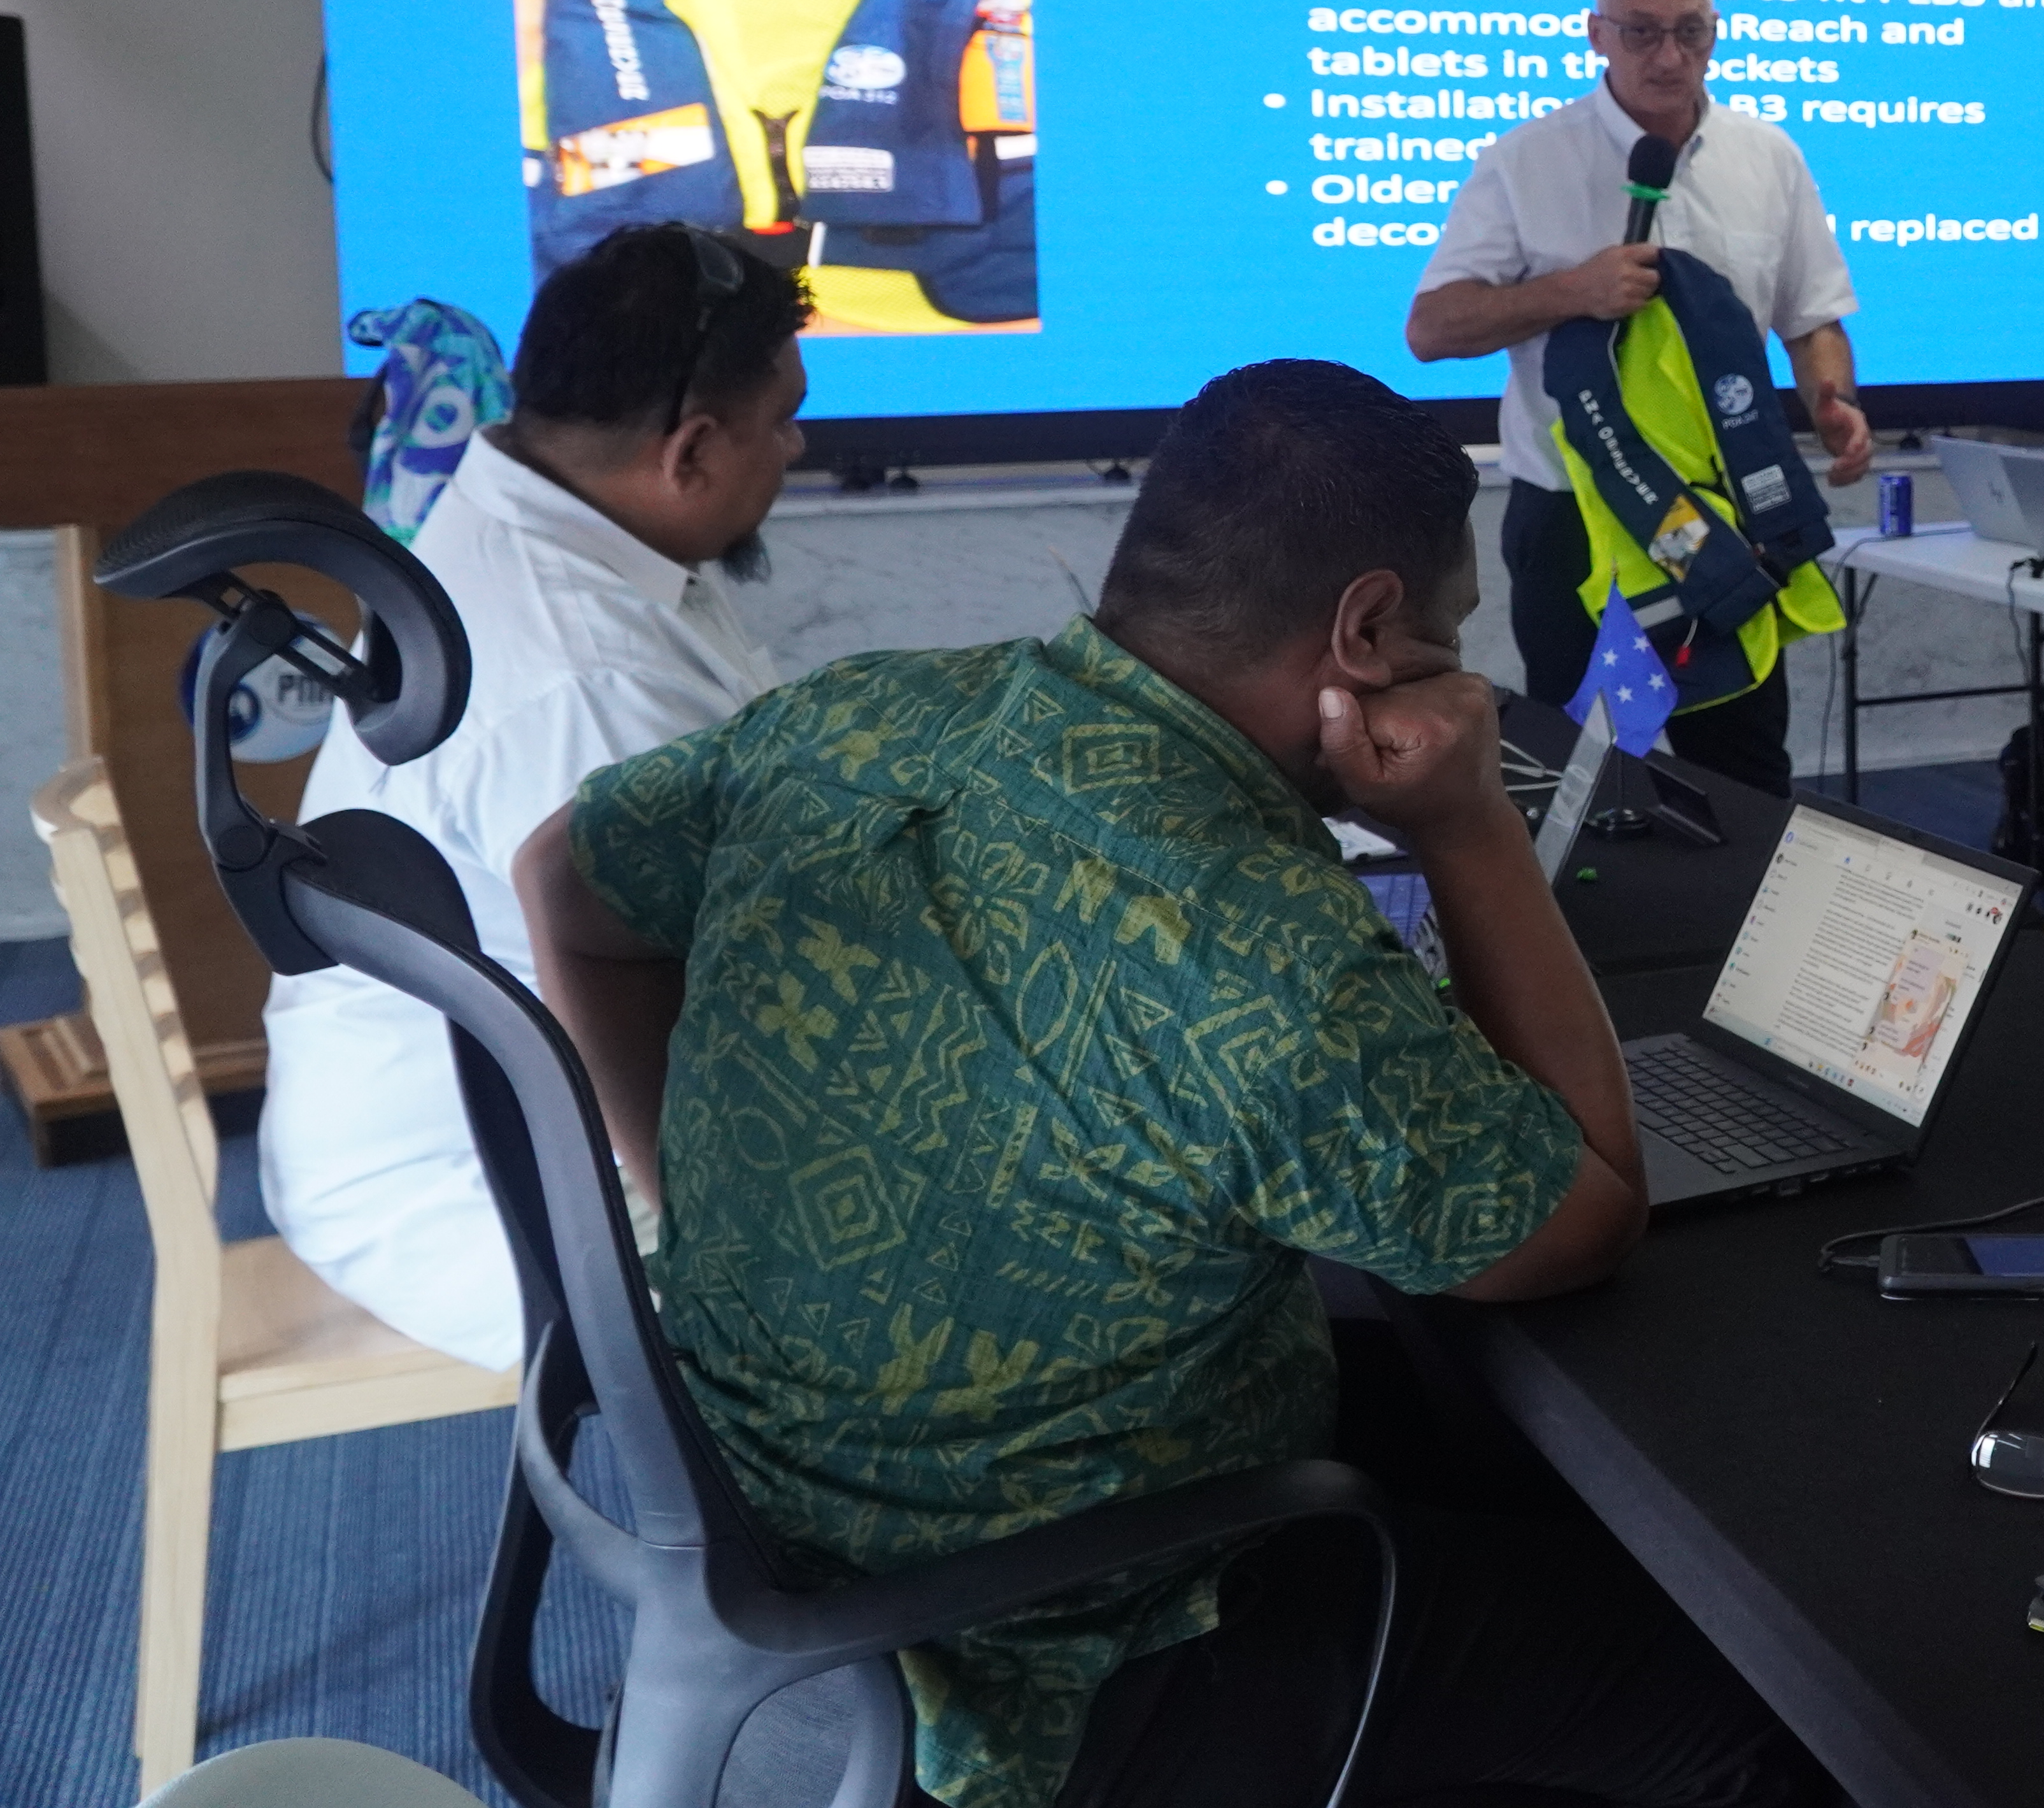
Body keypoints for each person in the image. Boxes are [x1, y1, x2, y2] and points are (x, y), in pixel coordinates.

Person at [513, 360, 1826, 1808]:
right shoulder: (1256, 946)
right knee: (1777, 1707)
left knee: (1464, 1438)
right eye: (1447, 637)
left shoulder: (860, 715)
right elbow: (1585, 1217)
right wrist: (1467, 829)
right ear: (1367, 628)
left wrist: (678, 1188)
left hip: (763, 1510)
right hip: (1066, 1660)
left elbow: (562, 881)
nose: (1455, 676)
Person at [259, 222, 806, 1370]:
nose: (797, 450)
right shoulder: (583, 678)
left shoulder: (543, 526)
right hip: (486, 1184)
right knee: (1028, 1248)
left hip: (457, 1112)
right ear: (693, 452)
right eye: (783, 421)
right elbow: (720, 1018)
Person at [1406, 0, 1869, 791]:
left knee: (1744, 771)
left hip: (1724, 526)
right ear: (1597, 33)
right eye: (1641, 31)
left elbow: (1811, 318)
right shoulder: (1526, 160)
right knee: (1574, 771)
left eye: (1690, 30)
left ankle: (1739, 925)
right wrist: (1569, 292)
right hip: (1575, 524)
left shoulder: (1768, 157)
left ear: (1716, 29)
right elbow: (1433, 329)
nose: (1668, 55)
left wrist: (1832, 398)